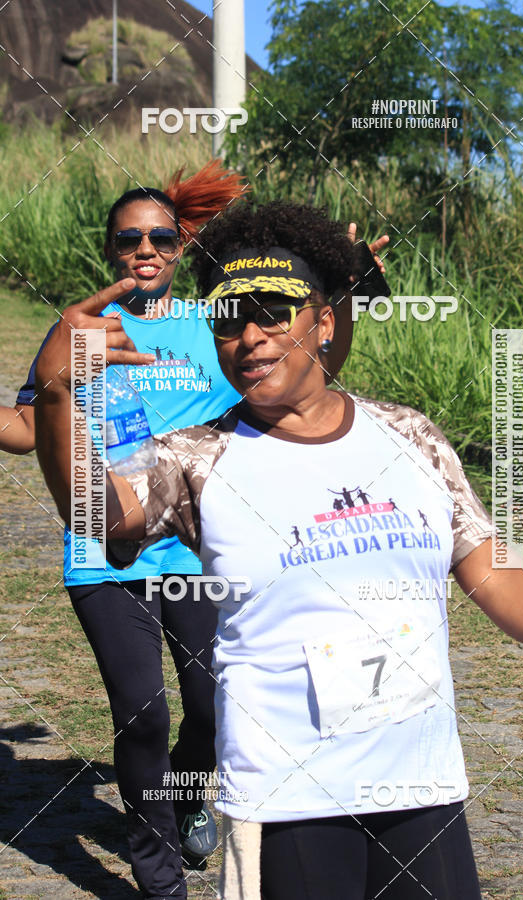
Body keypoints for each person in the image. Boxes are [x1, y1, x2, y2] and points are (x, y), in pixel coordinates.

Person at [35, 200, 523, 900]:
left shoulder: (410, 437)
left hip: (421, 789)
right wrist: (58, 398)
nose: (248, 336)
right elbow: (101, 517)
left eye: (273, 312)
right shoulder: (198, 459)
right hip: (284, 806)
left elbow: (491, 567)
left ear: (324, 322)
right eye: (228, 319)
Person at [0, 161, 247, 900]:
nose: (144, 248)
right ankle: (158, 876)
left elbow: (277, 396)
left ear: (180, 246)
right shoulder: (78, 330)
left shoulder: (211, 328)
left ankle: (188, 793)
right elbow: (25, 423)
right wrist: (53, 385)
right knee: (142, 715)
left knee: (208, 706)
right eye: (128, 238)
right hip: (102, 546)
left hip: (195, 543)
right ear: (112, 250)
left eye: (160, 237)